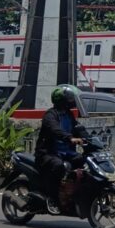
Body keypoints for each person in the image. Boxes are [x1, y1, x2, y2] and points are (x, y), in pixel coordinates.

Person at [35, 85, 86, 214]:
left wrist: (89, 138)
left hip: (66, 152)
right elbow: (55, 130)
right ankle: (52, 198)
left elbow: (78, 128)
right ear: (62, 101)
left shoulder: (69, 115)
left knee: (82, 160)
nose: (72, 102)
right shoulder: (50, 115)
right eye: (70, 99)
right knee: (58, 166)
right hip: (48, 153)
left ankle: (71, 194)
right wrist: (70, 138)